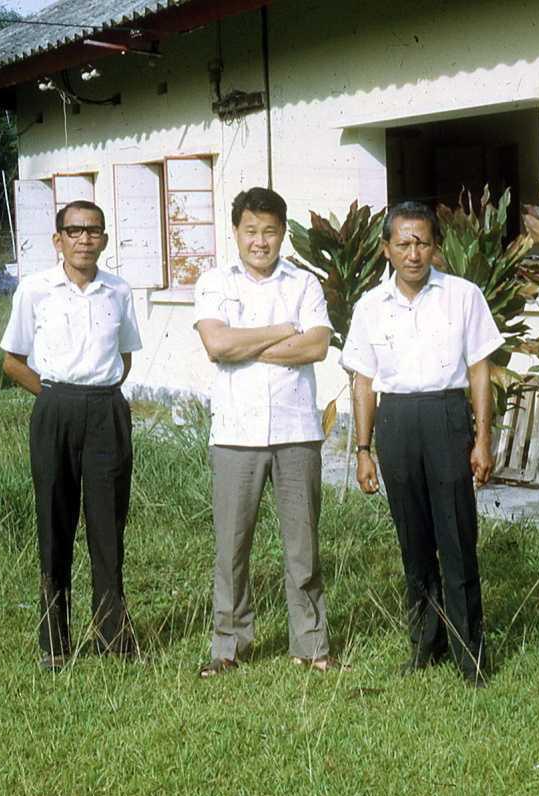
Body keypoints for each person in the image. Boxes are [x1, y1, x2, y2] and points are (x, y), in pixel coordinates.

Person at [341, 201, 502, 688]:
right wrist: (364, 449)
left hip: (447, 416)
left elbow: (479, 371)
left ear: (436, 247)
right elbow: (364, 382)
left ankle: (469, 654)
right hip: (397, 422)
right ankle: (425, 645)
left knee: (456, 539)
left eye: (424, 243)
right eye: (404, 243)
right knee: (413, 542)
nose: (414, 253)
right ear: (386, 249)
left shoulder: (462, 295)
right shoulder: (370, 306)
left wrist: (482, 439)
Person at [192, 186, 344, 677]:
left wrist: (247, 344)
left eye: (270, 232)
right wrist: (282, 330)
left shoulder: (304, 284)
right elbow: (216, 343)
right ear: (236, 232)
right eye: (251, 231)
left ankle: (312, 643)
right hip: (236, 434)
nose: (260, 241)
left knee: (303, 544)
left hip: (297, 430)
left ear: (282, 234)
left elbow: (317, 346)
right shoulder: (215, 281)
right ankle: (228, 646)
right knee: (232, 547)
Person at [0, 200, 143, 671]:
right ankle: (55, 644)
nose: (85, 239)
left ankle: (112, 636)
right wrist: (57, 397)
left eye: (94, 231)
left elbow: (125, 359)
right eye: (75, 230)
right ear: (57, 239)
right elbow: (12, 361)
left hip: (106, 410)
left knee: (108, 527)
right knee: (54, 524)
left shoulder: (117, 291)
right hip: (55, 408)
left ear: (103, 238)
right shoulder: (36, 290)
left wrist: (96, 397)